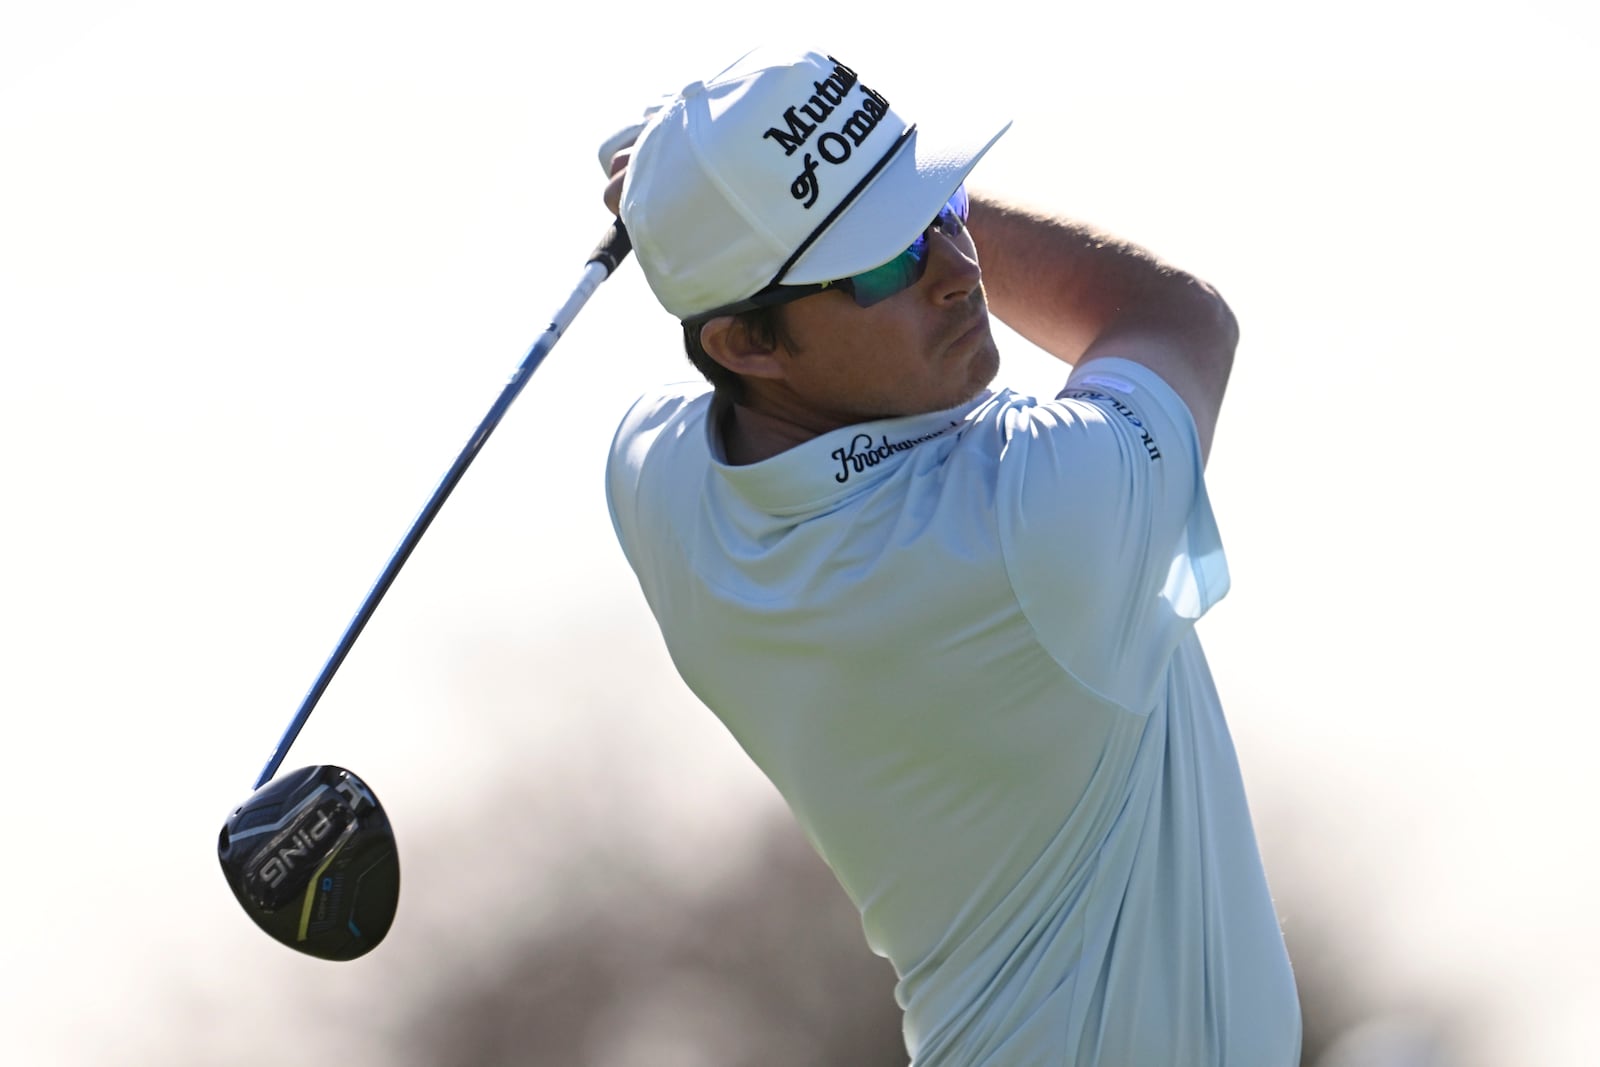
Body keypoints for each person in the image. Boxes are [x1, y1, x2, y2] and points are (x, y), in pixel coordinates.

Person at [600, 45, 1301, 1066]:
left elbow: (720, 293)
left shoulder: (654, 481)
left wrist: (700, 194)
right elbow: (1173, 316)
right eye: (886, 259)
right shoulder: (1034, 518)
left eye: (938, 212)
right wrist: (678, 185)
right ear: (746, 346)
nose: (957, 270)